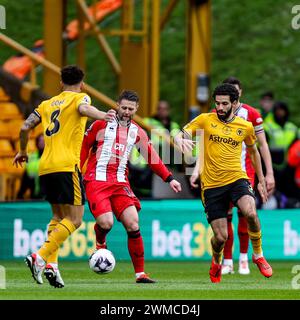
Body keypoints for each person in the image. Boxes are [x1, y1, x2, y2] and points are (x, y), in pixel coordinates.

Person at [13, 65, 116, 288]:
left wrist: (22, 151)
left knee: (59, 217)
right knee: (76, 219)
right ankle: (38, 256)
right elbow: (85, 109)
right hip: (67, 166)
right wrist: (104, 115)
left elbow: (24, 127)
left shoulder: (46, 104)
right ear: (83, 82)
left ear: (61, 82)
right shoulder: (81, 98)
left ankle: (52, 265)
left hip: (46, 166)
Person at [80, 90, 182, 283]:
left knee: (133, 223)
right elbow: (84, 147)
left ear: (136, 109)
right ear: (117, 105)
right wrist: (77, 172)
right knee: (106, 223)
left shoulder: (137, 131)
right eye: (123, 107)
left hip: (120, 183)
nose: (126, 111)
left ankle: (140, 274)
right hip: (97, 180)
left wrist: (169, 178)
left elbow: (152, 157)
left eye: (130, 109)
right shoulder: (100, 124)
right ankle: (100, 241)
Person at [175, 83, 272, 283]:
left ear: (234, 104)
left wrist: (261, 180)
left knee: (251, 213)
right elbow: (181, 133)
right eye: (217, 103)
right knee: (221, 237)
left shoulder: (245, 126)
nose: (219, 108)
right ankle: (217, 260)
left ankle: (258, 255)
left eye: (224, 104)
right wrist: (178, 140)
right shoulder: (205, 120)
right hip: (211, 186)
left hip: (237, 179)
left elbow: (254, 152)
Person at [129, 100, 181, 197]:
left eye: (164, 109)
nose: (162, 111)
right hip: (146, 158)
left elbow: (177, 139)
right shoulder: (147, 122)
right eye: (160, 109)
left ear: (168, 111)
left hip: (165, 158)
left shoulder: (173, 125)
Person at [17, 133, 45, 199]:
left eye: (43, 141)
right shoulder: (31, 156)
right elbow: (28, 172)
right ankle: (20, 195)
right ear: (37, 143)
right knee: (26, 175)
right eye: (40, 141)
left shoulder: (51, 157)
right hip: (33, 185)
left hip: (46, 184)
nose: (42, 143)